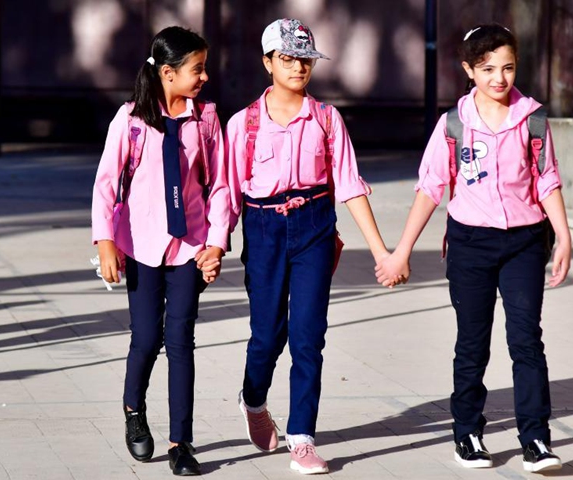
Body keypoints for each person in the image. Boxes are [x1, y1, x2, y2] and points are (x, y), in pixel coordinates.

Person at [376, 24, 570, 474]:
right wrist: (401, 250)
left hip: (524, 241)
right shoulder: (453, 125)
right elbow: (430, 187)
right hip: (470, 243)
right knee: (472, 344)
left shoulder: (534, 118)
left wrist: (563, 235)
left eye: (507, 67)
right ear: (468, 69)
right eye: (487, 69)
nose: (499, 78)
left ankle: (536, 440)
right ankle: (468, 433)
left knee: (526, 341)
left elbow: (547, 178)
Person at [225, 18, 398, 475]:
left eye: (305, 58)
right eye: (287, 58)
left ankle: (302, 438)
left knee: (308, 336)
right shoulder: (243, 124)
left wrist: (382, 252)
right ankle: (254, 399)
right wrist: (212, 246)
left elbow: (350, 186)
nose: (298, 66)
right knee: (267, 335)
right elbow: (228, 192)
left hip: (315, 226)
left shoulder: (326, 118)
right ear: (267, 63)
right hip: (262, 229)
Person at [91, 26, 229, 476]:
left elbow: (221, 186)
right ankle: (134, 410)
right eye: (197, 69)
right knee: (146, 338)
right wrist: (105, 239)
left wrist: (216, 242)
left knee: (180, 341)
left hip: (189, 246)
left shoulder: (205, 120)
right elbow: (106, 183)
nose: (204, 77)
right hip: (141, 246)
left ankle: (180, 442)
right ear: (167, 73)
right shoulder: (130, 120)